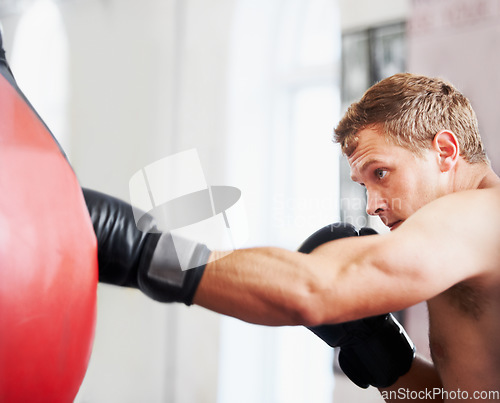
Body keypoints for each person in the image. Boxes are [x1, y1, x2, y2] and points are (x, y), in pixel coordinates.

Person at [190, 73, 500, 400]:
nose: (372, 206)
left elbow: (313, 288)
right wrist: (388, 364)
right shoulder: (458, 242)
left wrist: (149, 256)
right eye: (365, 184)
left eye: (381, 173)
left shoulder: (483, 214)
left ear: (446, 151)